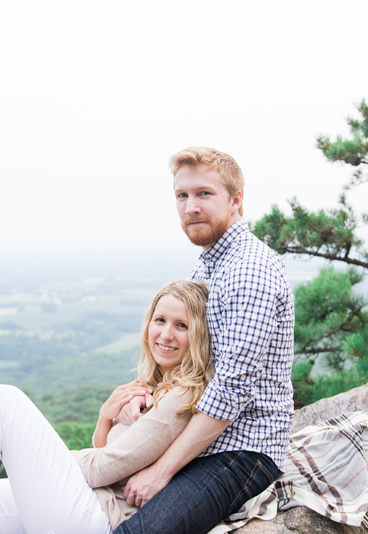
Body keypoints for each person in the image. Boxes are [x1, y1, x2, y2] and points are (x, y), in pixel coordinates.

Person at [0, 280, 213, 534]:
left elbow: (102, 469)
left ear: (198, 336)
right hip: (84, 500)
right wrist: (105, 418)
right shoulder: (152, 386)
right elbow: (109, 455)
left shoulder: (180, 397)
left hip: (96, 516)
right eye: (160, 320)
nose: (165, 334)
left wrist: (38, 456)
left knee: (1, 401)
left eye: (181, 325)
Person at [115, 147, 295, 534]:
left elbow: (232, 388)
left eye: (204, 194)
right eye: (182, 196)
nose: (191, 206)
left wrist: (161, 471)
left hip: (242, 448)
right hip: (202, 436)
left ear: (236, 200)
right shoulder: (210, 263)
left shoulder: (248, 270)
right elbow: (188, 357)